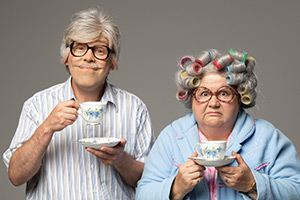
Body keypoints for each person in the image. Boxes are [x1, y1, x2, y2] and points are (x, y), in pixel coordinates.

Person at [3, 7, 155, 199]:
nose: (88, 57)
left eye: (100, 50)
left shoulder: (134, 108)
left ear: (112, 62)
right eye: (80, 48)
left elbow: (150, 182)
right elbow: (16, 176)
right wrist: (46, 128)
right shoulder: (37, 105)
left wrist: (121, 160)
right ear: (66, 57)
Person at [136, 49, 300, 200]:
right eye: (204, 93)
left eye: (224, 93)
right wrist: (176, 188)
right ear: (191, 98)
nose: (213, 103)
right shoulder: (171, 136)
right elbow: (143, 194)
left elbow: (296, 190)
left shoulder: (267, 137)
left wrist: (252, 184)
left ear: (240, 97)